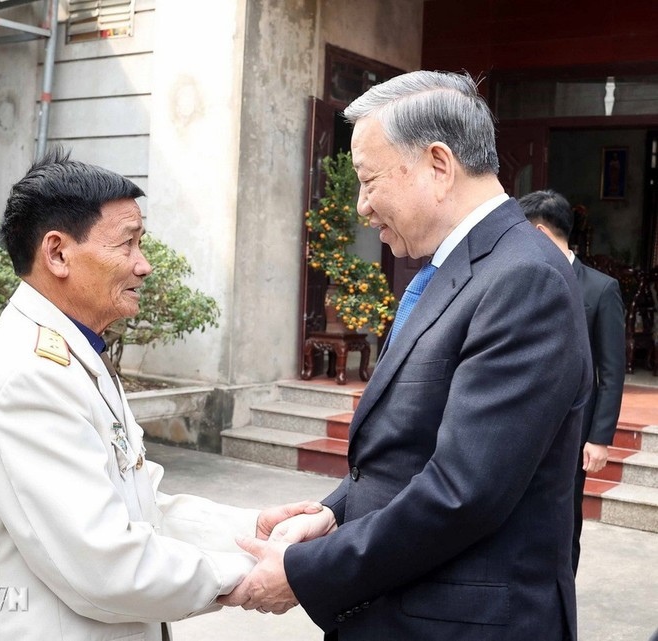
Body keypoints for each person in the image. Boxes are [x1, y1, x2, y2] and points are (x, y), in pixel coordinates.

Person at [219, 71, 592, 640]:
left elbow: (464, 491)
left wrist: (305, 572)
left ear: (438, 165)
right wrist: (333, 513)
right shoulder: (461, 267)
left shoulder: (523, 279)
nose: (363, 207)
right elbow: (406, 451)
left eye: (368, 181)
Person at [0, 150, 320, 641]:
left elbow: (142, 509)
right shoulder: (30, 377)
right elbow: (106, 565)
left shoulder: (75, 352)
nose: (143, 266)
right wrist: (255, 573)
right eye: (127, 244)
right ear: (57, 253)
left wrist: (254, 529)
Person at [520, 189, 626, 575]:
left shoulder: (600, 289)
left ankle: (562, 593)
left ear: (540, 232)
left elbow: (611, 370)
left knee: (565, 520)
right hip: (523, 422)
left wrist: (599, 438)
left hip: (572, 429)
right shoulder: (521, 279)